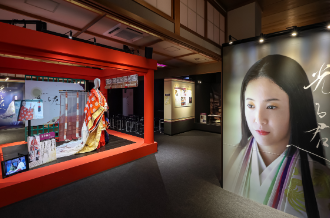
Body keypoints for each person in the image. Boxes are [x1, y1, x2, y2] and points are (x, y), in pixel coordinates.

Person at [224, 55, 330, 218]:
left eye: (271, 106)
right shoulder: (231, 158)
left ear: (297, 107)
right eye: (251, 105)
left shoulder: (322, 180)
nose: (259, 119)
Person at [78, 78, 108, 153]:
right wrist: (101, 108)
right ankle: (94, 143)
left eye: (100, 82)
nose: (99, 84)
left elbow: (104, 100)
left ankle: (101, 143)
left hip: (101, 114)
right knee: (95, 129)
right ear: (95, 83)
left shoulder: (99, 92)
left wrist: (105, 106)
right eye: (97, 82)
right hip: (96, 115)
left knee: (101, 129)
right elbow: (92, 104)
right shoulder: (92, 92)